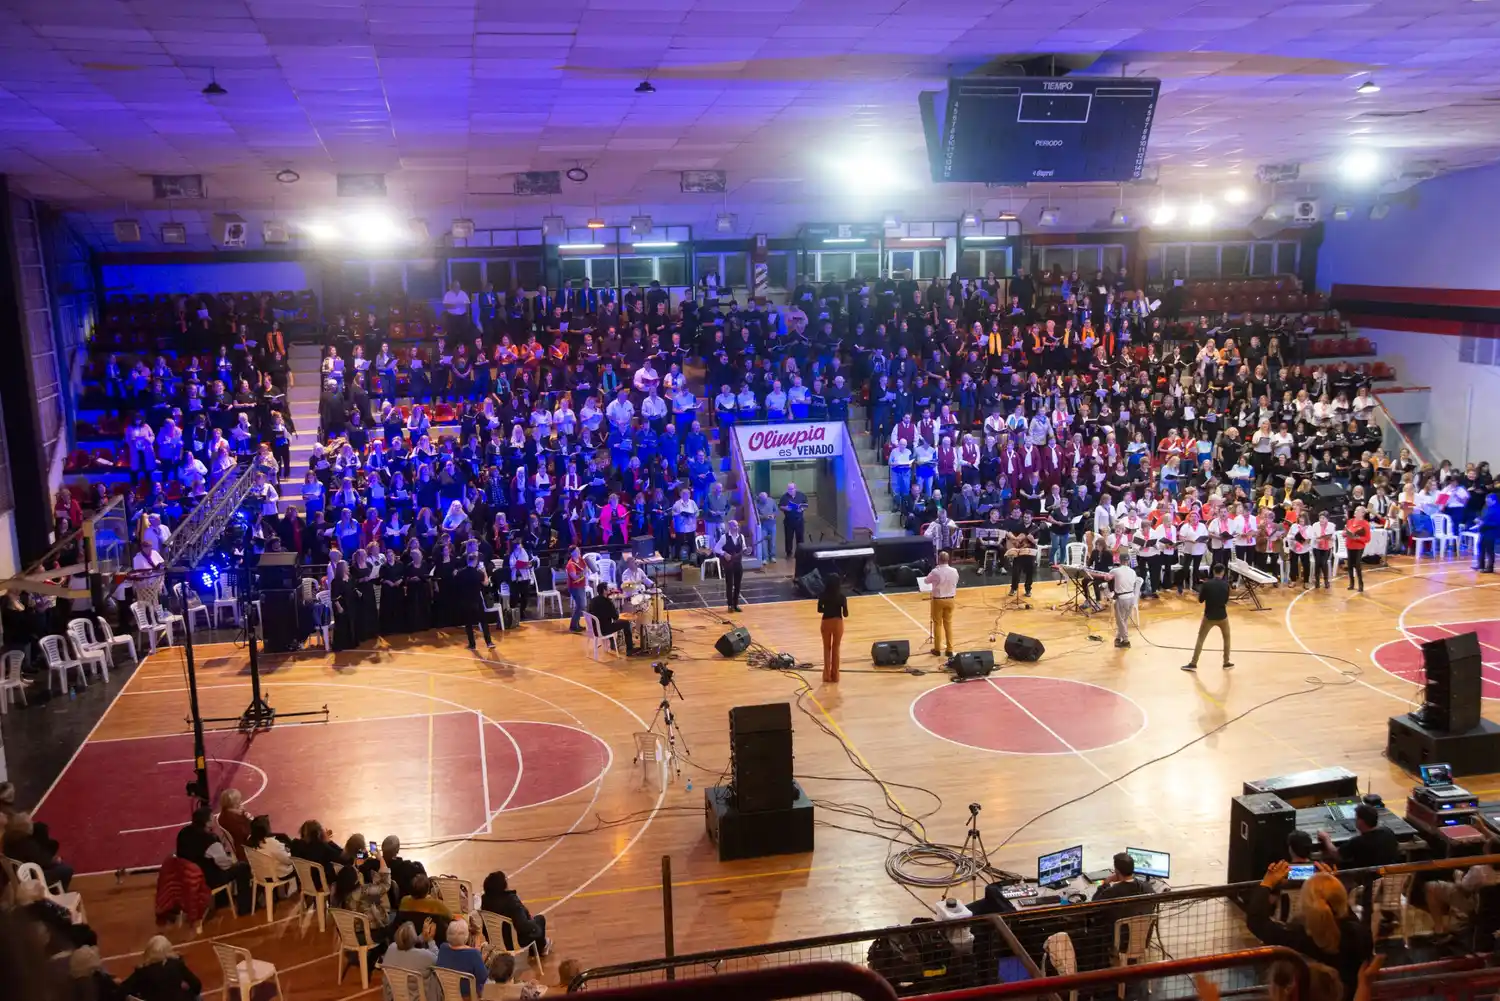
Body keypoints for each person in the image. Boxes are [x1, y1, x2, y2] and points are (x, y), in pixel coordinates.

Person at [1245, 862, 1373, 1001]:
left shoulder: (1295, 938)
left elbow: (1256, 921)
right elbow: (1345, 917)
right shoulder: (1360, 934)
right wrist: (1332, 886)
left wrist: (1267, 883)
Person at [174, 807, 250, 913]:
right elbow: (224, 864)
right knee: (242, 868)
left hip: (186, 877)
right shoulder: (209, 839)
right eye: (212, 818)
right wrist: (234, 861)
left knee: (214, 864)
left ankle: (222, 901)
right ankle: (245, 907)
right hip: (206, 878)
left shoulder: (183, 833)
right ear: (207, 822)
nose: (214, 820)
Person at [333, 861, 394, 975]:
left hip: (347, 935)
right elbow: (386, 885)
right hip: (366, 935)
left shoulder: (336, 896)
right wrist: (381, 859)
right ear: (355, 879)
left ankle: (379, 954)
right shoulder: (364, 890)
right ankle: (384, 955)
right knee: (393, 921)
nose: (359, 872)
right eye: (357, 872)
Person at [481, 870, 550, 954]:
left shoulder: (485, 900)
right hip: (514, 943)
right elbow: (522, 926)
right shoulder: (511, 900)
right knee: (540, 919)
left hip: (494, 942)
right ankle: (539, 950)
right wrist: (534, 924)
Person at [1317, 803, 1401, 870]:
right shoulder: (1388, 832)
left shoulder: (1358, 841)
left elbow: (1337, 855)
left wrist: (1326, 838)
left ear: (1361, 821)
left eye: (1356, 818)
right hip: (1388, 878)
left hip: (1366, 882)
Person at [118, 935, 203, 1001]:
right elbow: (197, 985)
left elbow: (121, 991)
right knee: (198, 996)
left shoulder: (143, 972)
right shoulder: (176, 964)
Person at [1183, 563, 1233, 672]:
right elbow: (1225, 601)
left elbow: (1201, 600)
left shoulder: (1207, 584)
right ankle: (1226, 662)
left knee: (1200, 639)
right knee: (1227, 639)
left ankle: (1193, 663)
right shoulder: (1226, 585)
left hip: (1209, 616)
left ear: (1213, 571)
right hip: (1222, 616)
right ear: (1223, 572)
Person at [381, 920, 440, 1001]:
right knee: (435, 974)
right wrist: (430, 940)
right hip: (419, 998)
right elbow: (438, 961)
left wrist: (422, 936)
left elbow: (406, 942)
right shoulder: (423, 955)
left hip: (395, 997)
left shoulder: (391, 948)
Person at [435, 917, 489, 996]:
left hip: (447, 995)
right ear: (466, 936)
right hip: (469, 997)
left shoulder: (443, 948)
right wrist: (481, 959)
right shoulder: (474, 954)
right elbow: (483, 978)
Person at [455, 552, 495, 650]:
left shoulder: (461, 573)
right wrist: (484, 571)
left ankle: (472, 645)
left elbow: (456, 582)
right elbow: (486, 583)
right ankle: (489, 642)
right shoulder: (478, 573)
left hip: (465, 601)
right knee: (483, 622)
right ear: (476, 561)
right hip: (477, 600)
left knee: (468, 624)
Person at [924, 551, 959, 658]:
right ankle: (949, 649)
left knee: (937, 624)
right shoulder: (954, 571)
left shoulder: (936, 571)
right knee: (948, 624)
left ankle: (937, 649)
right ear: (948, 559)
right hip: (951, 599)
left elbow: (926, 581)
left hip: (938, 600)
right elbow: (956, 581)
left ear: (939, 559)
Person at [585, 586, 636, 655]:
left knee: (611, 622)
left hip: (593, 629)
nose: (610, 590)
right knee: (626, 623)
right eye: (608, 589)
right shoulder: (607, 602)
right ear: (604, 590)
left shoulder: (593, 600)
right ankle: (630, 649)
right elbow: (615, 617)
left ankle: (613, 644)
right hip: (604, 630)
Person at [816, 574, 849, 683]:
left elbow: (819, 610)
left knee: (826, 648)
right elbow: (846, 614)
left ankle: (826, 676)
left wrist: (827, 608)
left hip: (826, 622)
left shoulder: (823, 595)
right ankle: (835, 676)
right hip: (838, 623)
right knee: (836, 648)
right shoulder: (842, 596)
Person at [714, 519, 749, 613]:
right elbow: (716, 548)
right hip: (729, 564)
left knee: (738, 585)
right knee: (729, 584)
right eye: (734, 526)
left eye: (737, 526)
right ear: (730, 527)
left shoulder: (741, 536)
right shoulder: (724, 537)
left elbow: (744, 547)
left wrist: (747, 550)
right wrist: (724, 553)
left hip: (738, 563)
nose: (737, 528)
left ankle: (735, 604)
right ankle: (730, 605)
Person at [482, 952, 548, 1000]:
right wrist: (536, 988)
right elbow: (536, 996)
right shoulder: (522, 992)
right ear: (512, 974)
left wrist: (524, 984)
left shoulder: (486, 988)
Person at [1106, 559, 1139, 649]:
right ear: (1128, 562)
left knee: (1120, 621)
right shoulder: (1133, 571)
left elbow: (1107, 578)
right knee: (1124, 620)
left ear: (1120, 561)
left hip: (1122, 598)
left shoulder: (1115, 570)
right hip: (1131, 598)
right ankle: (1118, 637)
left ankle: (1126, 640)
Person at [1343, 505, 1371, 592]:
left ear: (1362, 513)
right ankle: (1351, 583)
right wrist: (1346, 533)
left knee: (1357, 565)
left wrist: (1358, 538)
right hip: (1349, 545)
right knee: (1350, 565)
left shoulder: (1365, 524)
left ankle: (1360, 584)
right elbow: (1344, 532)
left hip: (1358, 547)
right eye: (1355, 510)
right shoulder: (1350, 521)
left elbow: (1367, 539)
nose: (1355, 512)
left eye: (1357, 511)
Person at [779, 481, 807, 558]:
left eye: (792, 489)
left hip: (799, 520)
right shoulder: (784, 497)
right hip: (789, 521)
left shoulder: (801, 495)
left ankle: (800, 552)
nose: (790, 490)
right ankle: (789, 553)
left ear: (795, 488)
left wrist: (802, 509)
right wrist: (786, 508)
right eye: (789, 489)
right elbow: (780, 506)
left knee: (800, 537)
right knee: (788, 537)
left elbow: (805, 505)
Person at [1474, 492, 1500, 573]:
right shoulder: (1486, 508)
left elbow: (1497, 523)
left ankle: (1490, 567)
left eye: (1488, 501)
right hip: (1484, 531)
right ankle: (1480, 565)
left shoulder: (1497, 510)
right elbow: (1483, 518)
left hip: (1491, 532)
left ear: (1494, 501)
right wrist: (1479, 520)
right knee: (1480, 548)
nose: (1487, 502)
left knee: (1489, 550)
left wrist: (1483, 523)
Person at [565, 546, 588, 632]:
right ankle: (573, 626)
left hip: (581, 585)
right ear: (572, 553)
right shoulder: (570, 564)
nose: (579, 551)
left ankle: (576, 624)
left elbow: (586, 568)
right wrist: (583, 574)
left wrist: (584, 572)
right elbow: (574, 577)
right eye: (577, 550)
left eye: (578, 550)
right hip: (574, 587)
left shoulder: (581, 559)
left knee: (581, 605)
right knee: (581, 605)